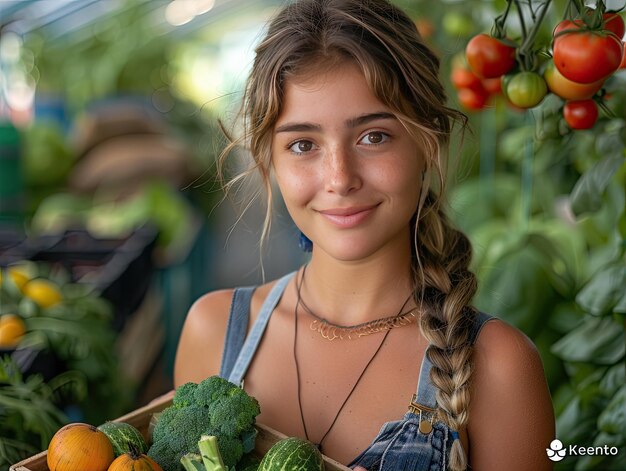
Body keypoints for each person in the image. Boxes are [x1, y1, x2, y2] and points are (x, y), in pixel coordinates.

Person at [174, 1, 556, 469]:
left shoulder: (499, 366)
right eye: (303, 144)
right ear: (269, 160)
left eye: (373, 136)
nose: (339, 178)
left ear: (427, 139)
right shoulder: (213, 331)